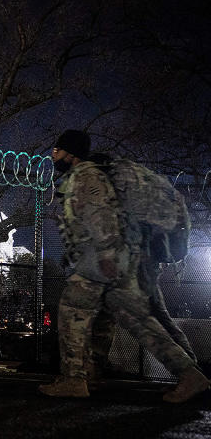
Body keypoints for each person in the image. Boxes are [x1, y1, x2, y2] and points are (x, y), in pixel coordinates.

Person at [38, 130, 207, 403]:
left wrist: (106, 256)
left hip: (101, 263)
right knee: (139, 320)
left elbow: (101, 215)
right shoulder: (90, 174)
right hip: (117, 259)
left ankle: (74, 379)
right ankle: (189, 374)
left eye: (57, 150)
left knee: (71, 313)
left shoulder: (86, 176)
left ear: (70, 154)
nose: (53, 154)